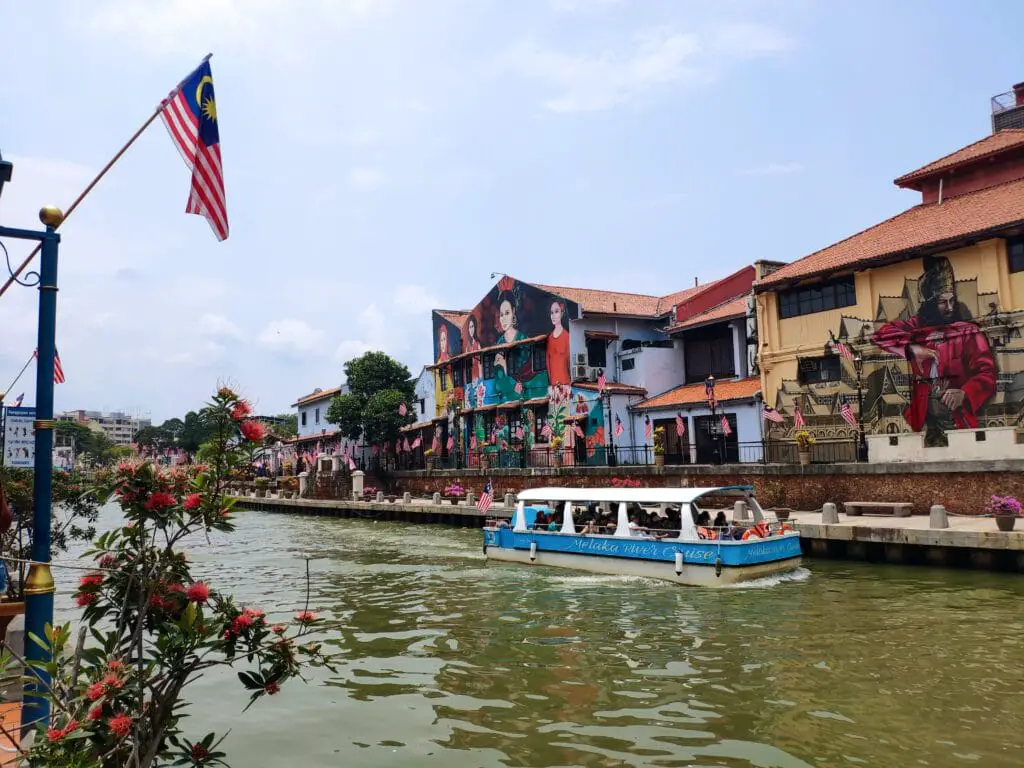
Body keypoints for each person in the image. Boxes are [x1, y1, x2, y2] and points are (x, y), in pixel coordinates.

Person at [873, 255, 996, 446]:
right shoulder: (916, 327)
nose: (949, 307)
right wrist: (912, 348)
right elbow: (881, 335)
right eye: (942, 302)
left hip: (956, 419)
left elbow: (987, 373)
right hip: (924, 422)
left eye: (952, 301)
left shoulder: (968, 331)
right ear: (930, 303)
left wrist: (965, 392)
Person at [546, 300, 571, 386]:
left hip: (566, 385)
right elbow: (548, 363)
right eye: (551, 312)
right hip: (553, 387)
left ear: (562, 313)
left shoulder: (567, 336)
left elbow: (569, 362)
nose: (553, 315)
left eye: (556, 311)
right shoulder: (549, 339)